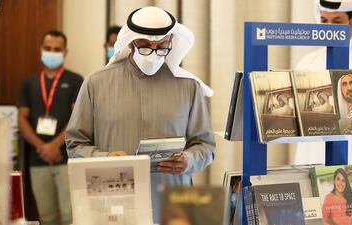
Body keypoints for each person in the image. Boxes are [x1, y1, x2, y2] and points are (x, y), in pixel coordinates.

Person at [65, 6, 215, 223]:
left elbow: (206, 146)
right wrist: (105, 159)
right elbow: (74, 144)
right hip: (115, 205)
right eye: (145, 46)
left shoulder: (188, 86)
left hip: (173, 206)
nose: (154, 53)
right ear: (131, 41)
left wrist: (189, 160)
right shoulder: (96, 83)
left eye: (162, 45)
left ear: (171, 40)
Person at [292, 1, 352, 225]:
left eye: (336, 22)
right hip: (311, 155)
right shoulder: (308, 60)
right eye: (324, 21)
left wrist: (314, 97)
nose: (329, 29)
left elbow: (349, 102)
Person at [17, 30, 83, 225]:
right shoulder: (28, 83)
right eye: (48, 48)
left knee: (70, 216)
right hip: (38, 159)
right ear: (41, 49)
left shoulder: (75, 80)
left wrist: (54, 145)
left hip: (66, 158)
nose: (52, 52)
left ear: (65, 51)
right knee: (46, 217)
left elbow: (77, 117)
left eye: (57, 49)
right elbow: (22, 119)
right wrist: (43, 147)